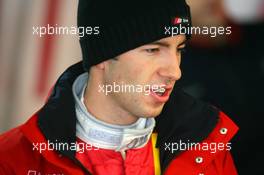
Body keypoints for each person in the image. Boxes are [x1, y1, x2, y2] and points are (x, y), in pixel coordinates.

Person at [0, 0, 239, 174]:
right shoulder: (13, 159)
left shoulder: (208, 150)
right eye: (153, 50)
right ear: (102, 56)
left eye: (179, 50)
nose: (175, 71)